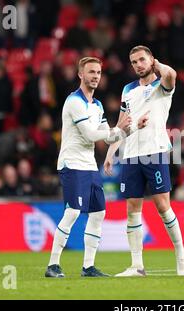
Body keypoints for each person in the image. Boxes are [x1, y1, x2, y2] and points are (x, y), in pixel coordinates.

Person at [45, 57, 148, 278]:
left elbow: (111, 138)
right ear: (80, 74)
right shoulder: (74, 102)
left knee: (98, 213)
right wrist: (116, 127)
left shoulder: (97, 105)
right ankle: (52, 265)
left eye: (98, 73)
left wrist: (133, 128)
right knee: (72, 212)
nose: (95, 76)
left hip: (90, 166)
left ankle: (88, 267)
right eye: (91, 72)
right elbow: (91, 135)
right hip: (72, 164)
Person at [104, 45, 184, 277]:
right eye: (134, 62)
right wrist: (112, 151)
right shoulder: (128, 89)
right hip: (130, 154)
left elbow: (171, 75)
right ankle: (136, 266)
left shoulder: (161, 86)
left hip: (155, 150)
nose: (138, 65)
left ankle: (181, 256)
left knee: (163, 206)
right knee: (132, 209)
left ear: (151, 60)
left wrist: (158, 66)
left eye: (142, 60)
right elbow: (122, 123)